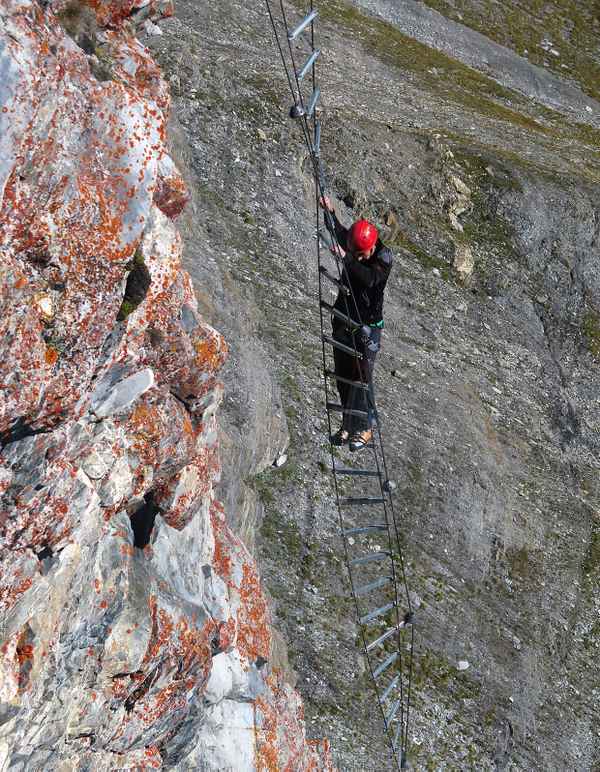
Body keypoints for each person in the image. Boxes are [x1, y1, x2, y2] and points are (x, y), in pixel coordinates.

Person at [320, 196, 393, 451]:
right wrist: (330, 211)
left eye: (361, 255)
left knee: (361, 377)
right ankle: (348, 425)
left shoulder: (383, 258)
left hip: (368, 326)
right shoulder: (355, 249)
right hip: (344, 318)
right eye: (355, 254)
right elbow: (340, 232)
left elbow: (370, 279)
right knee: (343, 375)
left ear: (371, 248)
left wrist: (348, 259)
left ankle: (365, 427)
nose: (358, 258)